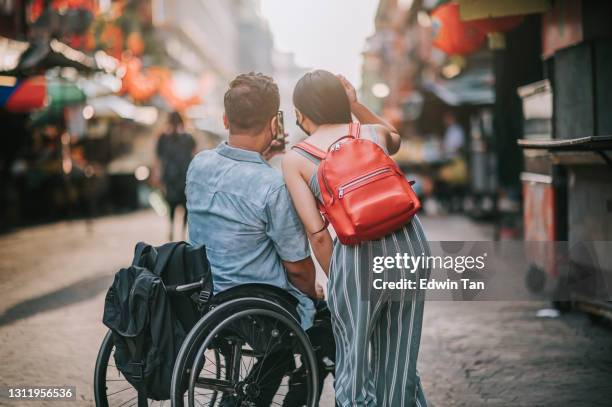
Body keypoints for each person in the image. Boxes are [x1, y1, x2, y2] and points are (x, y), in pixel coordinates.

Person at [282, 70, 430, 407]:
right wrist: (357, 105)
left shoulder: (297, 158)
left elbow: (318, 234)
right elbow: (396, 137)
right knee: (399, 363)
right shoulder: (372, 134)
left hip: (357, 258)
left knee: (353, 364)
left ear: (303, 113)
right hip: (410, 246)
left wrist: (339, 281)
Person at [186, 72, 334, 406]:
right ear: (274, 123)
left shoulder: (198, 165)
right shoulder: (273, 186)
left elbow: (235, 182)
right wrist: (315, 292)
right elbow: (298, 268)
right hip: (258, 308)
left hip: (205, 299)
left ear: (225, 119)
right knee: (323, 330)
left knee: (282, 345)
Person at [155, 111, 195, 240]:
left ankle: (173, 230)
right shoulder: (188, 138)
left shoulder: (163, 138)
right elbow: (194, 156)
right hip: (183, 177)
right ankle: (181, 233)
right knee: (184, 206)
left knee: (172, 205)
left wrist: (158, 175)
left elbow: (158, 159)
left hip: (172, 177)